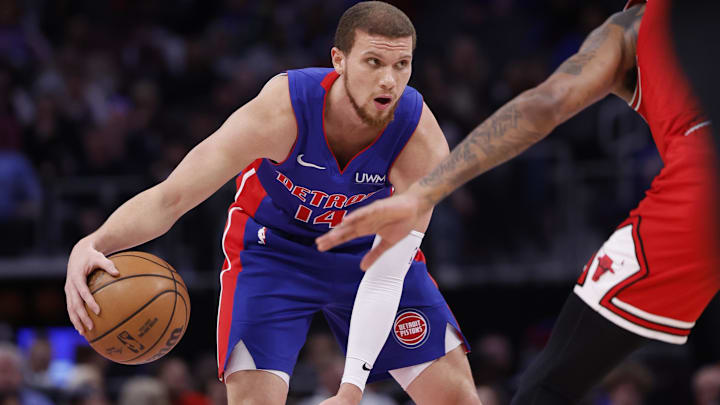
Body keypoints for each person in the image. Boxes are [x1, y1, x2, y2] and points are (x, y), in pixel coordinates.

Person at [63, 2, 481, 405]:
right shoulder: (282, 110)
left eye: (401, 65)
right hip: (272, 248)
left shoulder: (420, 141)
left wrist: (351, 389)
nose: (389, 80)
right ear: (339, 60)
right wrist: (95, 242)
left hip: (367, 252)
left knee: (458, 398)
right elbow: (173, 197)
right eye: (374, 62)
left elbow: (387, 275)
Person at [317, 0, 720, 403]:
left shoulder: (633, 28)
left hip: (702, 190)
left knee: (546, 389)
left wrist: (424, 192)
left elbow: (545, 105)